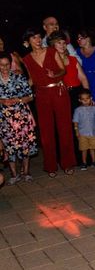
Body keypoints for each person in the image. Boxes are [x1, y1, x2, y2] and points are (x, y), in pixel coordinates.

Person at [21, 29, 76, 177]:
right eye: (34, 38)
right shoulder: (26, 59)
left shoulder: (52, 51)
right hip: (41, 94)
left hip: (58, 91)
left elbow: (63, 70)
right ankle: (51, 166)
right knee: (46, 132)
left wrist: (55, 74)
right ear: (27, 42)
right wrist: (20, 89)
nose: (38, 40)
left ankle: (67, 163)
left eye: (39, 36)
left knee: (64, 128)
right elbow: (32, 79)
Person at [0, 52, 37, 184]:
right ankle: (14, 174)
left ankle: (26, 172)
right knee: (9, 145)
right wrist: (2, 101)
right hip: (4, 119)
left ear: (11, 64)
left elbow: (31, 96)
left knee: (24, 144)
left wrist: (19, 99)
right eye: (1, 65)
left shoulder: (19, 77)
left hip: (21, 116)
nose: (4, 68)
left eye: (7, 65)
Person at [72, 89, 95, 170]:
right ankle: (84, 162)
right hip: (82, 133)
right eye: (83, 99)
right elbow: (75, 122)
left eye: (87, 99)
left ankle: (94, 161)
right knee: (84, 149)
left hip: (93, 132)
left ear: (91, 98)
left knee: (93, 148)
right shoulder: (78, 110)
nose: (85, 101)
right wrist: (76, 131)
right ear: (80, 100)